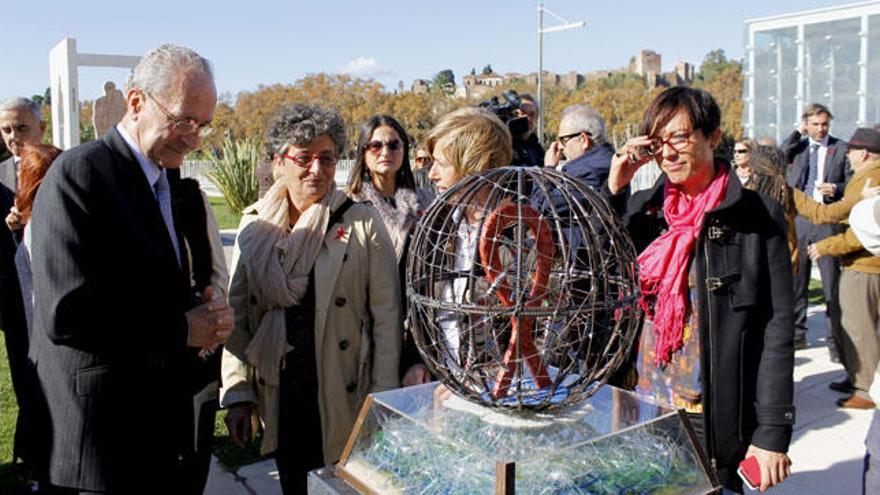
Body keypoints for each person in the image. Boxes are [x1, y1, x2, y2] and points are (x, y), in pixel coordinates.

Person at [30, 44, 234, 493]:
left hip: (157, 435)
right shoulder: (80, 174)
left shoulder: (166, 182)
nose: (193, 138)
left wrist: (208, 312)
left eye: (203, 125)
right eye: (183, 120)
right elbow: (67, 313)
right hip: (103, 447)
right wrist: (182, 328)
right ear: (137, 102)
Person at [606, 87, 794, 493]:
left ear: (713, 136)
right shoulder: (644, 211)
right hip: (644, 401)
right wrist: (614, 194)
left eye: (679, 137)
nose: (668, 153)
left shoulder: (756, 216)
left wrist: (772, 433)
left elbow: (777, 328)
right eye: (658, 142)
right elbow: (597, 278)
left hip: (710, 415)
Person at [220, 103, 401, 494]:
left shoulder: (362, 223)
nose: (316, 170)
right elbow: (237, 319)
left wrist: (381, 404)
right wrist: (237, 393)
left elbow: (387, 319)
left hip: (342, 395)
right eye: (304, 158)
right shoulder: (255, 225)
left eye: (327, 158)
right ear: (277, 161)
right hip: (282, 396)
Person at [347, 115, 433, 386]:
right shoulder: (349, 208)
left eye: (394, 145)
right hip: (363, 332)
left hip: (414, 331)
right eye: (376, 145)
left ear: (404, 150)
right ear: (363, 151)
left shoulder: (425, 203)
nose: (385, 152)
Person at [800, 128, 880, 409]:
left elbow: (861, 230)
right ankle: (857, 375)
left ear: (864, 152)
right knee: (856, 326)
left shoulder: (871, 179)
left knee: (860, 329)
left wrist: (827, 246)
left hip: (864, 267)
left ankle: (866, 389)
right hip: (864, 265)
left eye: (851, 151)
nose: (848, 156)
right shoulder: (866, 178)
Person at [0, 96, 47, 485]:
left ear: (41, 128)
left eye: (21, 128)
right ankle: (28, 458)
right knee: (24, 378)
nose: (14, 137)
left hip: (50, 295)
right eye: (6, 130)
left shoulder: (58, 168)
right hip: (12, 300)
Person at [782, 103, 849, 354]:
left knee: (831, 283)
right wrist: (798, 133)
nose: (821, 129)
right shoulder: (797, 148)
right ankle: (798, 334)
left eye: (824, 125)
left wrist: (837, 189)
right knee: (797, 281)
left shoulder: (840, 148)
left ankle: (835, 342)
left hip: (826, 219)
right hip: (799, 220)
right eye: (816, 125)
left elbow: (851, 182)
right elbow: (779, 154)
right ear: (806, 125)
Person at [543, 105, 614, 190]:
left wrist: (548, 169)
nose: (560, 146)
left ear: (583, 140)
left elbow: (544, 202)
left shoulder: (584, 173)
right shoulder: (609, 162)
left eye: (564, 140)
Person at [510, 93, 543, 166]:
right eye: (522, 113)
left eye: (531, 114)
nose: (527, 119)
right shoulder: (505, 146)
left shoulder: (537, 149)